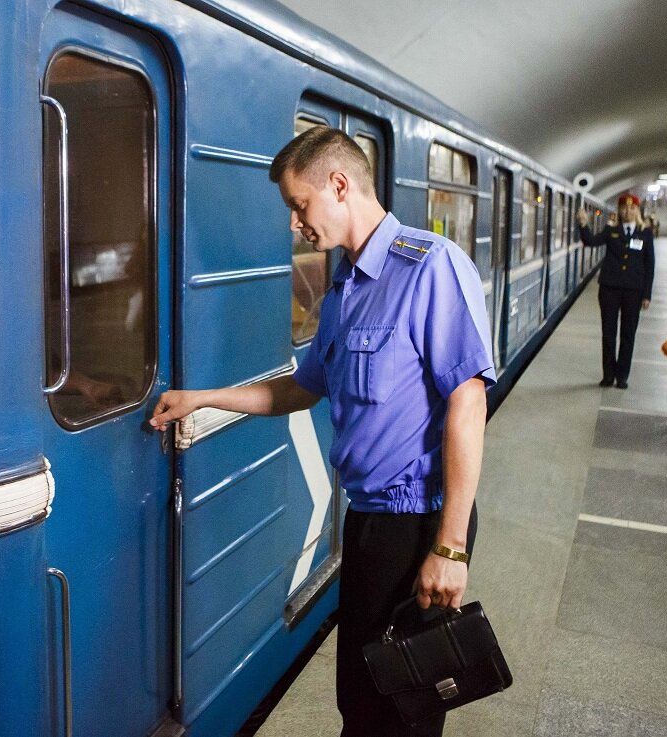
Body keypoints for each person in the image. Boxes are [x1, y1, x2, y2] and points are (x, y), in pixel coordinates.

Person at [150, 127, 494, 737]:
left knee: (401, 703)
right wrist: (203, 399)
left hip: (418, 520)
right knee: (361, 698)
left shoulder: (430, 267)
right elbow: (300, 389)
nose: (295, 225)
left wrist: (449, 548)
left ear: (338, 185)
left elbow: (467, 401)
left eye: (297, 205)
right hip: (367, 519)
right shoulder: (344, 290)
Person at [575, 194, 655, 389]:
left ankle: (622, 376)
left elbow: (649, 264)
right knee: (608, 333)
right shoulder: (611, 231)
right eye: (624, 208)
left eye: (632, 208)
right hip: (609, 289)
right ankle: (608, 375)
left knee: (628, 334)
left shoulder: (645, 234)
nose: (628, 212)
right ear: (619, 210)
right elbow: (591, 241)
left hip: (633, 291)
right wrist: (583, 225)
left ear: (637, 210)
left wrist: (647, 295)